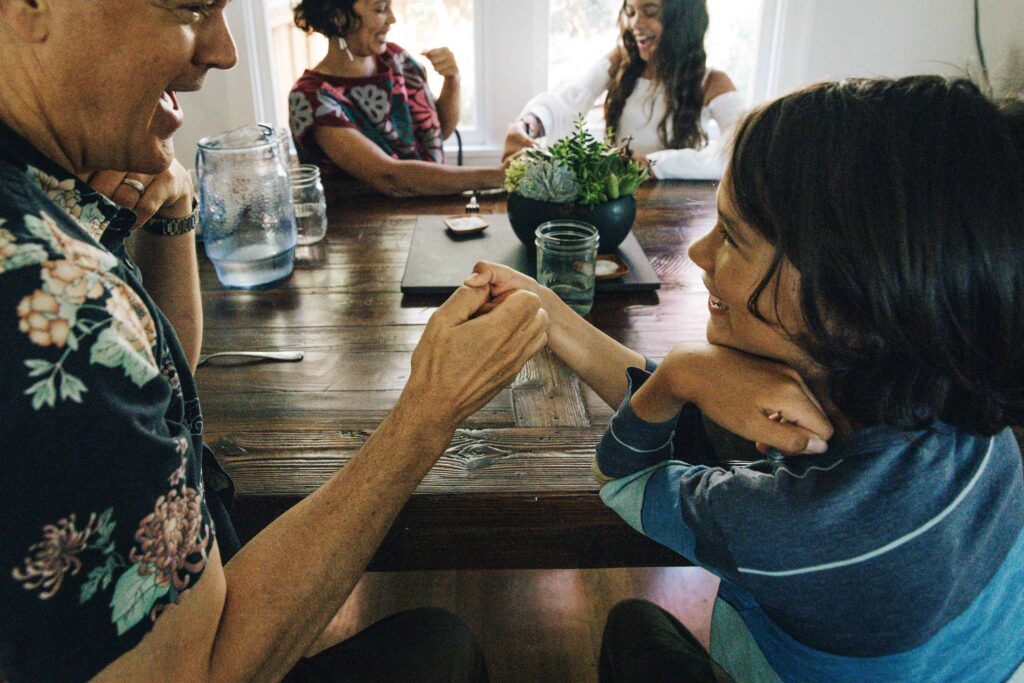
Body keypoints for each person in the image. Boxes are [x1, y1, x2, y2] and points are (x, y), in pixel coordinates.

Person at [0, 1, 548, 681]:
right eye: (190, 6)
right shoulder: (46, 295)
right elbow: (197, 669)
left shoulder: (49, 190)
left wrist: (174, 210)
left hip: (189, 586)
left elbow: (165, 374)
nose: (225, 51)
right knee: (443, 642)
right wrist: (429, 410)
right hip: (206, 645)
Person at [470, 75, 1024, 681]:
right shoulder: (972, 425)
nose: (700, 255)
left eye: (730, 235)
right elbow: (707, 407)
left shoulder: (788, 525)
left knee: (632, 625)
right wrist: (546, 309)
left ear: (852, 306)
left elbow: (624, 476)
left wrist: (682, 373)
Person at [503, 0, 745, 180]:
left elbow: (738, 153)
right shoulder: (621, 62)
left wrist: (651, 164)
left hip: (677, 207)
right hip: (618, 197)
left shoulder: (713, 82)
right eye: (630, 12)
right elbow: (573, 98)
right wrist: (529, 121)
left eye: (650, 12)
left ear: (682, 19)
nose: (635, 24)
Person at [288, 0, 506, 197]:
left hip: (428, 210)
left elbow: (437, 133)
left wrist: (453, 79)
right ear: (337, 17)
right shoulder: (311, 98)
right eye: (381, 8)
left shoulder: (397, 59)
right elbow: (389, 178)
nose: (392, 19)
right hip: (362, 233)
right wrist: (499, 176)